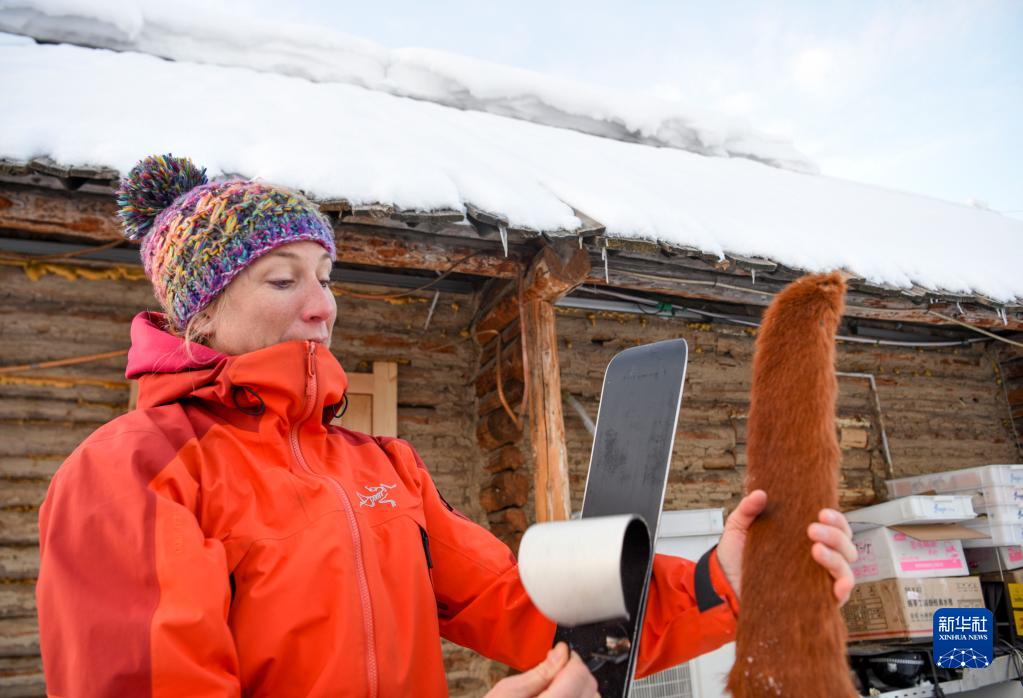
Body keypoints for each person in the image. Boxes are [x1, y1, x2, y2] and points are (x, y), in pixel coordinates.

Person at [35, 155, 856, 697]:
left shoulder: (381, 468)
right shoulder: (137, 470)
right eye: (282, 280)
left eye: (326, 277)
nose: (322, 306)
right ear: (201, 313)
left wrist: (721, 583)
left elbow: (525, 607)